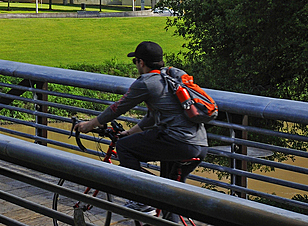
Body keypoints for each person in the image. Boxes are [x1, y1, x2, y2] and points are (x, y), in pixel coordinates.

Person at [74, 41, 208, 212]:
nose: (136, 65)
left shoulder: (146, 82)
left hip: (178, 141)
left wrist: (89, 125)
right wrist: (130, 132)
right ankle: (159, 203)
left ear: (141, 62)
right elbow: (152, 118)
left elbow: (118, 107)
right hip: (199, 145)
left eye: (135, 61)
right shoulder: (170, 78)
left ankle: (144, 198)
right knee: (169, 200)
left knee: (123, 147)